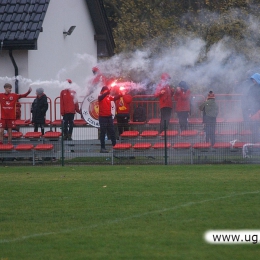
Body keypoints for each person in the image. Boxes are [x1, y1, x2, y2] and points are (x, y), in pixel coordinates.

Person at [98, 86, 121, 153]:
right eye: (106, 91)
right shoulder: (100, 96)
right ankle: (102, 148)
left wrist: (120, 94)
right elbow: (100, 97)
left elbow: (115, 98)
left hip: (109, 117)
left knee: (112, 132)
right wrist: (107, 92)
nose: (108, 92)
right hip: (102, 117)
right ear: (103, 91)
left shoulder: (109, 97)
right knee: (103, 133)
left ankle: (115, 146)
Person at [244, 73, 260, 142]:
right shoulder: (252, 88)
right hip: (254, 108)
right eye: (253, 80)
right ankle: (255, 141)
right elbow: (248, 97)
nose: (253, 81)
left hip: (257, 107)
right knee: (254, 126)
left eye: (254, 79)